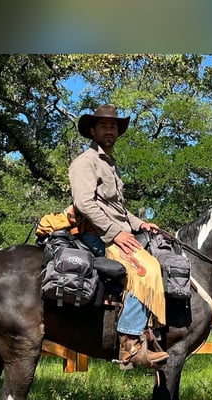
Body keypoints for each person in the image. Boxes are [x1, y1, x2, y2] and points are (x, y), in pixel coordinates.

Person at [69, 104, 169, 369]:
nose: (109, 130)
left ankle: (152, 332)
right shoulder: (85, 162)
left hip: (116, 231)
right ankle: (130, 341)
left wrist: (140, 223)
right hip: (98, 235)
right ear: (92, 131)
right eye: (103, 126)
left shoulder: (110, 165)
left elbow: (118, 209)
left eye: (113, 126)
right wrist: (116, 233)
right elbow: (84, 204)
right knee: (145, 270)